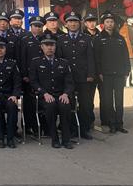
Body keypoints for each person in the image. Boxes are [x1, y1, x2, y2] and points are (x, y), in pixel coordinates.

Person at [29, 33, 75, 149]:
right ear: (42, 47)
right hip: (45, 96)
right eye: (46, 45)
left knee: (65, 106)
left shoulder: (63, 62)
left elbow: (69, 82)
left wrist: (66, 94)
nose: (49, 47)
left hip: (61, 95)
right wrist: (44, 93)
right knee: (50, 106)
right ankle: (54, 139)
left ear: (55, 46)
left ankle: (66, 139)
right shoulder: (36, 62)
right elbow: (33, 82)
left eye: (52, 45)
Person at [57, 11, 96, 140]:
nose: (73, 24)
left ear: (79, 23)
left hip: (84, 77)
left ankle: (84, 129)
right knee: (69, 104)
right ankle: (71, 129)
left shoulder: (86, 38)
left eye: (75, 21)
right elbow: (59, 59)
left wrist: (91, 74)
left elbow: (91, 58)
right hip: (68, 79)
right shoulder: (61, 39)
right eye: (70, 21)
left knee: (85, 105)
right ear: (66, 24)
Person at [94, 12, 131, 134]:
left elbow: (126, 56)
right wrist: (99, 72)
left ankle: (120, 124)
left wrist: (127, 71)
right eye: (107, 22)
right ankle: (112, 124)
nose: (109, 24)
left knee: (119, 101)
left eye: (111, 22)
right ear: (103, 24)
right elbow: (97, 58)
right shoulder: (99, 38)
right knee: (108, 101)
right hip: (106, 75)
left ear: (114, 24)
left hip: (119, 74)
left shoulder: (120, 38)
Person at [19, 15, 45, 134]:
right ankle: (28, 126)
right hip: (29, 76)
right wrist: (24, 74)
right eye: (35, 26)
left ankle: (42, 126)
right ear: (31, 26)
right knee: (29, 103)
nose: (38, 28)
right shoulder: (25, 39)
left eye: (40, 26)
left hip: (44, 75)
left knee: (42, 102)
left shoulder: (46, 39)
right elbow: (22, 58)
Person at [82, 11, 103, 130]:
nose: (91, 23)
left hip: (101, 71)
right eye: (89, 21)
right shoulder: (82, 36)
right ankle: (89, 122)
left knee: (104, 98)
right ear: (85, 23)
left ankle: (105, 121)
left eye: (93, 21)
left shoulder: (101, 35)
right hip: (89, 72)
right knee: (88, 99)